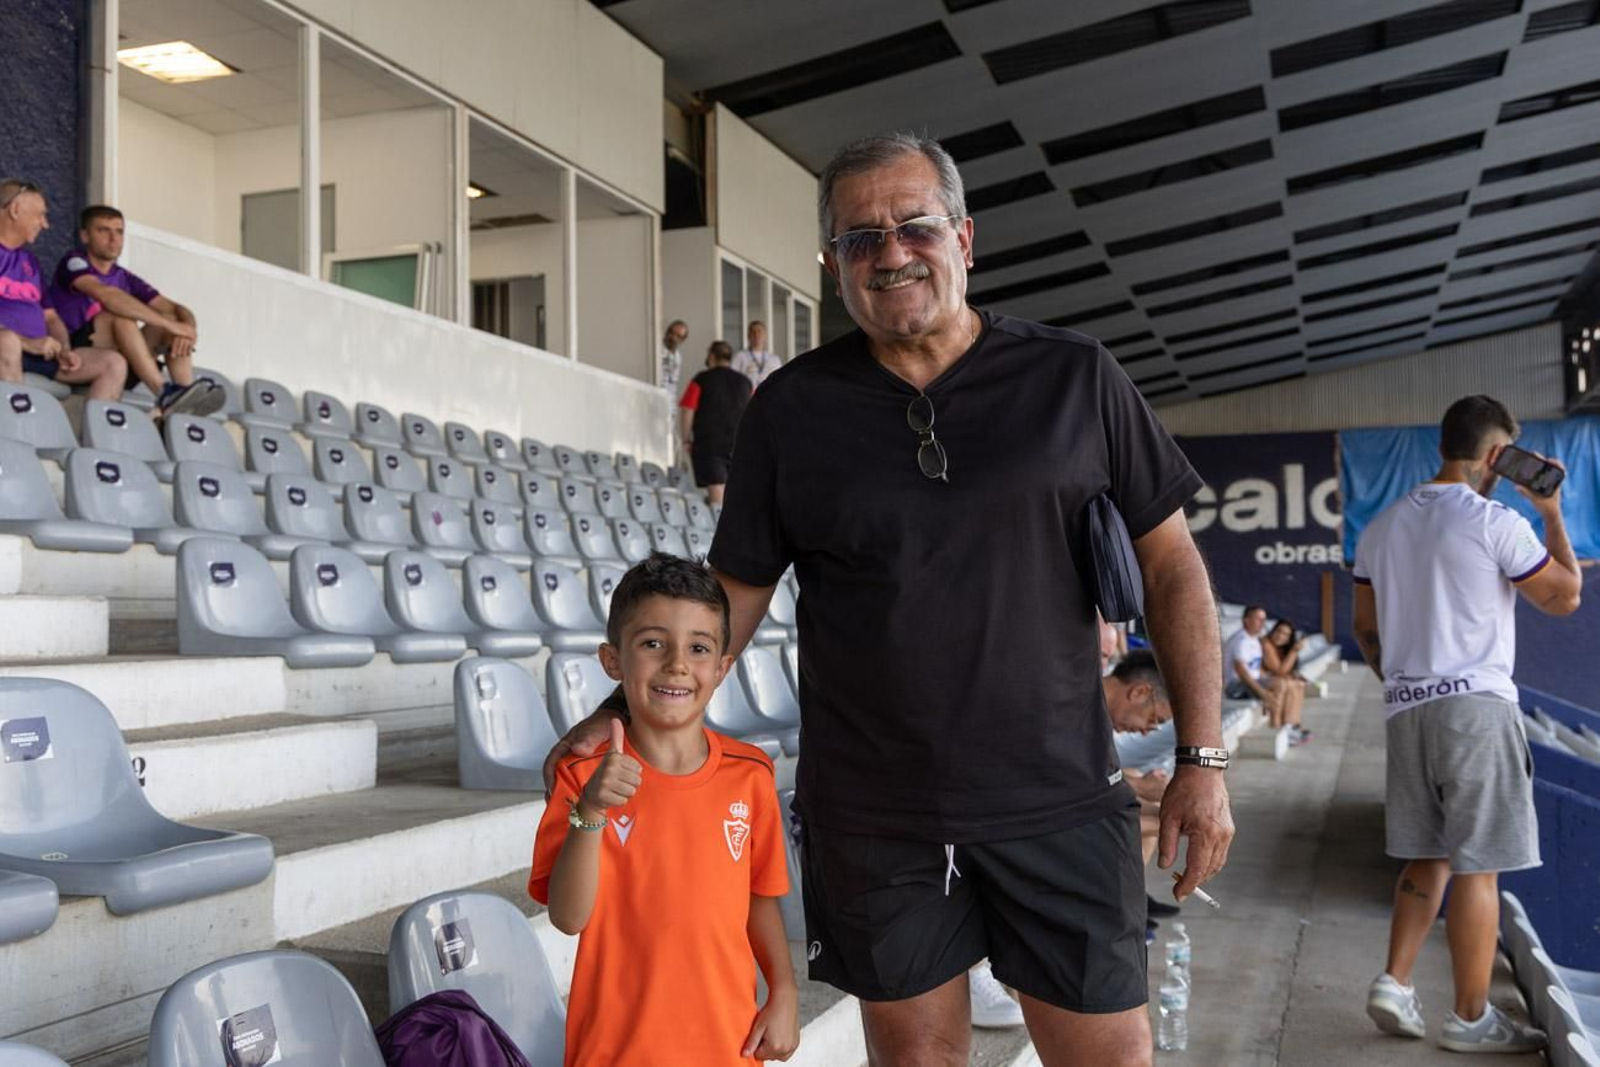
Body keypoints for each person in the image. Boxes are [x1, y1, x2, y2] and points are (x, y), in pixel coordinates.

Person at [546, 132, 1233, 1067]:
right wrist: (615, 713)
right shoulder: (789, 409)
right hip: (876, 814)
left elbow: (1174, 569)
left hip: (1058, 795)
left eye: (915, 226)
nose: (891, 252)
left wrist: (1203, 755)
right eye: (859, 239)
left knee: (1112, 1056)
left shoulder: (1075, 377)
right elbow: (728, 601)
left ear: (964, 238)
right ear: (833, 267)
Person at [1354, 395, 1581, 1054]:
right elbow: (1565, 595)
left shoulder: (1381, 527)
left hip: (1406, 709)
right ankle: (1471, 1016)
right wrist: (1552, 513)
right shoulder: (1496, 520)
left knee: (1432, 851)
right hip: (1476, 710)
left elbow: (1367, 630)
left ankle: (1395, 981)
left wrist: (1411, 684)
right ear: (1493, 456)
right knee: (1481, 867)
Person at [530, 553, 798, 1065]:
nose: (677, 664)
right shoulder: (582, 775)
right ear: (613, 661)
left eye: (698, 648)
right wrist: (591, 810)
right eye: (653, 643)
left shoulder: (750, 774)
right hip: (616, 1050)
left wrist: (782, 990)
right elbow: (567, 917)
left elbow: (760, 897)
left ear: (721, 668)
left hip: (728, 1046)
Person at [45, 205, 220, 417]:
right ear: (85, 235)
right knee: (120, 317)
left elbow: (174, 308)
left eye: (119, 232)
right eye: (103, 230)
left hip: (120, 357)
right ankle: (163, 391)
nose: (113, 239)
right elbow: (106, 295)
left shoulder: (124, 276)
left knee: (171, 319)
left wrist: (187, 328)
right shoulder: (73, 261)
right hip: (75, 352)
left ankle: (186, 396)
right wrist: (171, 324)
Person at [0, 180, 125, 399]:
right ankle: (15, 428)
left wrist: (64, 348)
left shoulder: (30, 262)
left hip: (39, 352)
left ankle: (86, 433)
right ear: (15, 210)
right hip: (10, 347)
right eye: (39, 215)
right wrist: (26, 343)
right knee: (6, 341)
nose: (45, 224)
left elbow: (51, 318)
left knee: (113, 363)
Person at [679, 340, 752, 504]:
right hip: (740, 445)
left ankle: (719, 528)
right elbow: (756, 413)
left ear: (711, 356)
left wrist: (685, 439)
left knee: (717, 490)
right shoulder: (746, 383)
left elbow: (687, 410)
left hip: (709, 444)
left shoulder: (700, 380)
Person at [1224, 605, 1307, 738]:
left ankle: (1288, 727)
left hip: (1249, 683)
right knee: (1279, 684)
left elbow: (1256, 670)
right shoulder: (1240, 640)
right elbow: (1241, 672)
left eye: (1264, 619)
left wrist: (1272, 680)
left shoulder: (1254, 640)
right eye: (1258, 619)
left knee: (1286, 682)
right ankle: (1277, 729)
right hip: (1235, 687)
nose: (1262, 623)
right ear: (1246, 620)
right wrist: (1263, 693)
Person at [1262, 619, 1313, 744]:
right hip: (1255, 682)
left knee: (1298, 684)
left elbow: (1283, 671)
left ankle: (1291, 725)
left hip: (1270, 681)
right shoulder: (1266, 643)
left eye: (1285, 634)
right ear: (1273, 631)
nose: (1280, 636)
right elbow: (1279, 670)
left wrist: (1294, 675)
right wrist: (1294, 650)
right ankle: (1284, 728)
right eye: (1278, 631)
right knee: (1288, 683)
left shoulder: (1280, 648)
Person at [730, 320, 780, 389]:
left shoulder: (774, 359)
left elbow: (778, 381)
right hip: (747, 396)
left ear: (765, 335)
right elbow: (733, 379)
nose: (756, 335)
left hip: (768, 396)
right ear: (748, 336)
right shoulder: (740, 356)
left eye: (759, 331)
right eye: (753, 332)